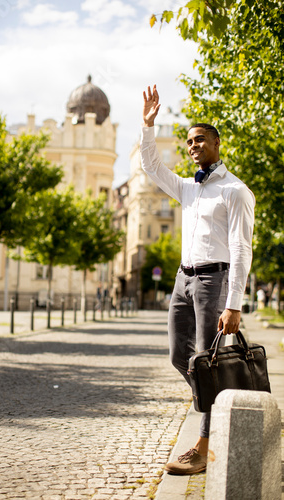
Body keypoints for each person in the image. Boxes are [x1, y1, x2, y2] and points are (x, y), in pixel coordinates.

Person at [141, 85, 255, 475]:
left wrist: (234, 303)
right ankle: (220, 406)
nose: (193, 146)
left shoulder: (235, 191)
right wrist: (148, 126)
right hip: (181, 280)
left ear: (216, 145)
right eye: (189, 141)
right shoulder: (188, 188)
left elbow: (241, 249)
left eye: (200, 139)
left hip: (213, 282)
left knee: (208, 362)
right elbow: (153, 168)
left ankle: (204, 448)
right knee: (181, 356)